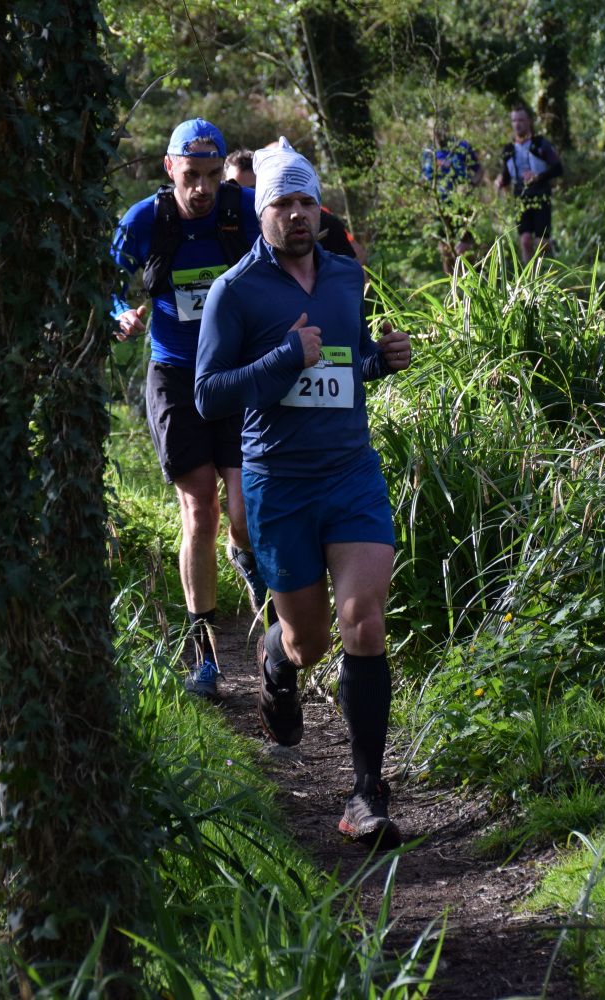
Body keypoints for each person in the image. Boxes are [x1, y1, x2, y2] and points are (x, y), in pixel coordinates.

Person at [195, 139, 413, 847]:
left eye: (306, 202)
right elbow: (208, 395)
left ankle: (365, 794)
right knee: (309, 641)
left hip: (350, 473)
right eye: (282, 203)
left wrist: (382, 359)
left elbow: (345, 363)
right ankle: (275, 658)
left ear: (320, 209)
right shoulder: (234, 291)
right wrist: (286, 356)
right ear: (261, 212)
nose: (295, 214)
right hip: (279, 483)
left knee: (364, 622)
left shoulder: (347, 276)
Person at [111, 119, 273, 699]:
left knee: (243, 513)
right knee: (200, 510)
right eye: (190, 175)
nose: (201, 188)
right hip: (176, 376)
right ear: (169, 168)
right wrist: (119, 313)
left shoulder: (246, 209)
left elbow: (301, 245)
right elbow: (106, 279)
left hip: (235, 372)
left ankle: (250, 568)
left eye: (210, 175)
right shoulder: (145, 220)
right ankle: (205, 657)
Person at [226, 146, 368, 265]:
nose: (247, 197)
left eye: (254, 190)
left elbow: (356, 263)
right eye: (237, 190)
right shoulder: (220, 230)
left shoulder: (322, 222)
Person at [494, 104, 563, 262]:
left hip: (541, 196)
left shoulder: (541, 144)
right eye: (514, 121)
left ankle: (550, 249)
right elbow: (507, 175)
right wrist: (500, 182)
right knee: (525, 241)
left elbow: (558, 169)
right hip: (520, 198)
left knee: (542, 243)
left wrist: (538, 176)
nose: (517, 124)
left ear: (529, 122)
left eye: (521, 120)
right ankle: (529, 276)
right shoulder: (508, 149)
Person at [421, 115, 483, 273]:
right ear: (428, 132)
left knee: (462, 251)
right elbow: (424, 179)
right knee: (446, 253)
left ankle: (477, 278)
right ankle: (452, 286)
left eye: (440, 128)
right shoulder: (427, 154)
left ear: (447, 128)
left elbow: (479, 171)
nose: (437, 132)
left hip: (462, 206)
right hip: (440, 208)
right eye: (433, 129)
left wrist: (469, 185)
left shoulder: (461, 148)